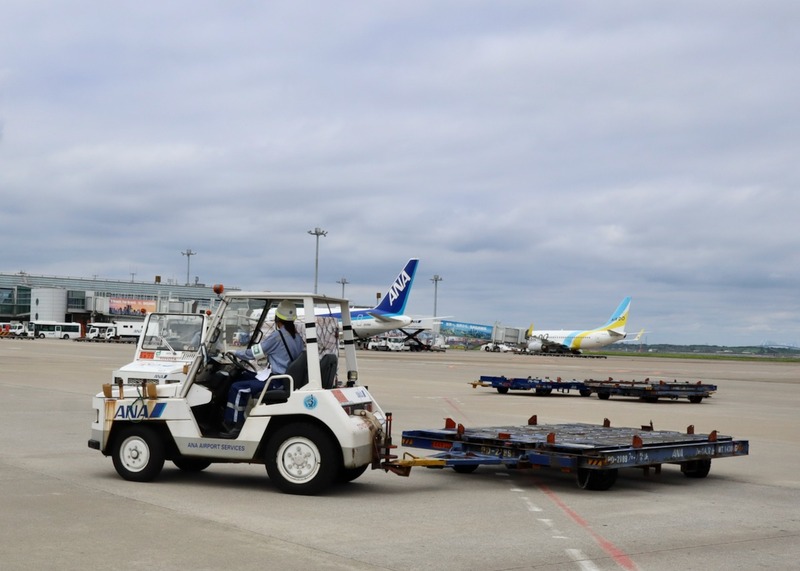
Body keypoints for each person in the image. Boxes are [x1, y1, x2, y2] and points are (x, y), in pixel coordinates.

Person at [221, 300, 305, 437]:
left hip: (276, 381)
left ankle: (235, 425)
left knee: (237, 388)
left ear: (277, 318)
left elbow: (254, 353)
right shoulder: (297, 337)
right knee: (243, 376)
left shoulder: (278, 336)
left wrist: (235, 352)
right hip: (284, 379)